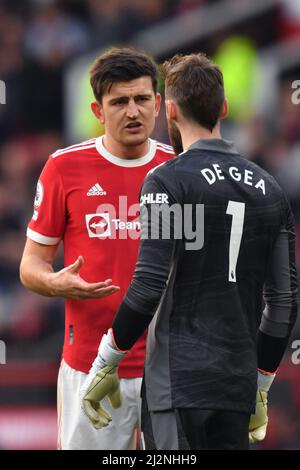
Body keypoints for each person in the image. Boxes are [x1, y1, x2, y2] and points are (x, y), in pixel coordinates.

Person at [80, 53, 298, 450]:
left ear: (171, 110)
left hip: (176, 387)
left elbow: (148, 285)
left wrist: (105, 361)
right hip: (236, 388)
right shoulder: (271, 189)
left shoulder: (167, 182)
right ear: (224, 108)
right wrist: (261, 384)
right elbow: (283, 303)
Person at [19, 47, 174, 450]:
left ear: (157, 104)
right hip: (91, 365)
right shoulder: (64, 167)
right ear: (98, 110)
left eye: (142, 99)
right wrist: (54, 283)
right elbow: (31, 265)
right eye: (119, 102)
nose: (133, 111)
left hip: (170, 368)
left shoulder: (180, 169)